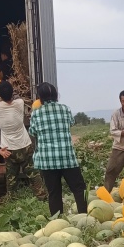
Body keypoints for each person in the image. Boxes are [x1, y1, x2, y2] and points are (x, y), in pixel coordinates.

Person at [28, 82, 87, 216]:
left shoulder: (36, 114)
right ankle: (84, 216)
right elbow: (71, 122)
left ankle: (57, 220)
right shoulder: (65, 109)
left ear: (40, 97)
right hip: (66, 157)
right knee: (78, 188)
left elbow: (33, 132)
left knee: (54, 192)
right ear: (55, 95)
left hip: (47, 160)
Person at [0, 80, 42, 196]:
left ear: (0, 95)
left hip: (8, 149)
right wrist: (12, 87)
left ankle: (11, 199)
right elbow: (16, 95)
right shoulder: (19, 103)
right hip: (25, 145)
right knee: (33, 173)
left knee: (11, 177)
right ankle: (41, 196)